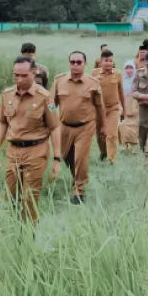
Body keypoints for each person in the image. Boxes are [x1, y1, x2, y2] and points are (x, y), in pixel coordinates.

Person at [0, 56, 62, 225]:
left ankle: (29, 233)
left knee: (29, 196)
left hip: (36, 151)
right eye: (16, 75)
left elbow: (54, 127)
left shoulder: (45, 97)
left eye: (24, 75)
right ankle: (13, 228)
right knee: (9, 195)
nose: (19, 79)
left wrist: (56, 159)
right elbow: (2, 124)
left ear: (34, 73)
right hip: (13, 151)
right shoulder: (6, 95)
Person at [50, 51, 106, 204]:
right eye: (72, 62)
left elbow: (100, 108)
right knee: (66, 156)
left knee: (80, 158)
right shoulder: (59, 81)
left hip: (85, 127)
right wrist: (49, 121)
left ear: (85, 64)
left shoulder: (93, 83)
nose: (75, 65)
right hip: (64, 126)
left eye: (78, 62)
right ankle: (78, 177)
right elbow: (50, 104)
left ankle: (79, 192)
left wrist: (103, 127)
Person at [91, 49, 125, 164]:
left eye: (111, 61)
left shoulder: (117, 74)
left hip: (113, 108)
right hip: (99, 109)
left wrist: (124, 108)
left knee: (111, 134)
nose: (109, 63)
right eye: (106, 61)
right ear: (101, 62)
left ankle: (112, 160)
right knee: (100, 134)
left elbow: (121, 92)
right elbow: (90, 92)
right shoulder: (94, 73)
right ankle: (104, 153)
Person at [118, 60, 139, 153]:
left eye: (131, 68)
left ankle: (133, 146)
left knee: (134, 125)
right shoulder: (121, 80)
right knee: (122, 125)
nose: (129, 70)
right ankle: (124, 145)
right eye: (127, 68)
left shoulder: (137, 80)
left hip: (135, 104)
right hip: (124, 104)